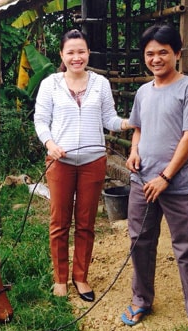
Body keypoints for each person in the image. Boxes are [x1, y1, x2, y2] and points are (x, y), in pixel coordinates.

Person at [121, 23, 188, 331]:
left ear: (177, 53)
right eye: (150, 53)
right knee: (140, 243)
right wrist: (134, 152)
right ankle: (141, 301)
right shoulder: (143, 92)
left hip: (178, 186)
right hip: (142, 182)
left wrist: (165, 177)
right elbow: (138, 128)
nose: (156, 58)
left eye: (163, 52)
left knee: (187, 248)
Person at [34, 29, 130, 300]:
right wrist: (50, 144)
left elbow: (109, 119)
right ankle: (60, 278)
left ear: (88, 53)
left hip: (93, 162)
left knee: (86, 223)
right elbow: (41, 121)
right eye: (71, 52)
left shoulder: (100, 83)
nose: (77, 57)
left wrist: (126, 123)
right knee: (59, 222)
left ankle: (81, 277)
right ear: (62, 55)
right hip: (60, 162)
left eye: (81, 51)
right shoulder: (50, 84)